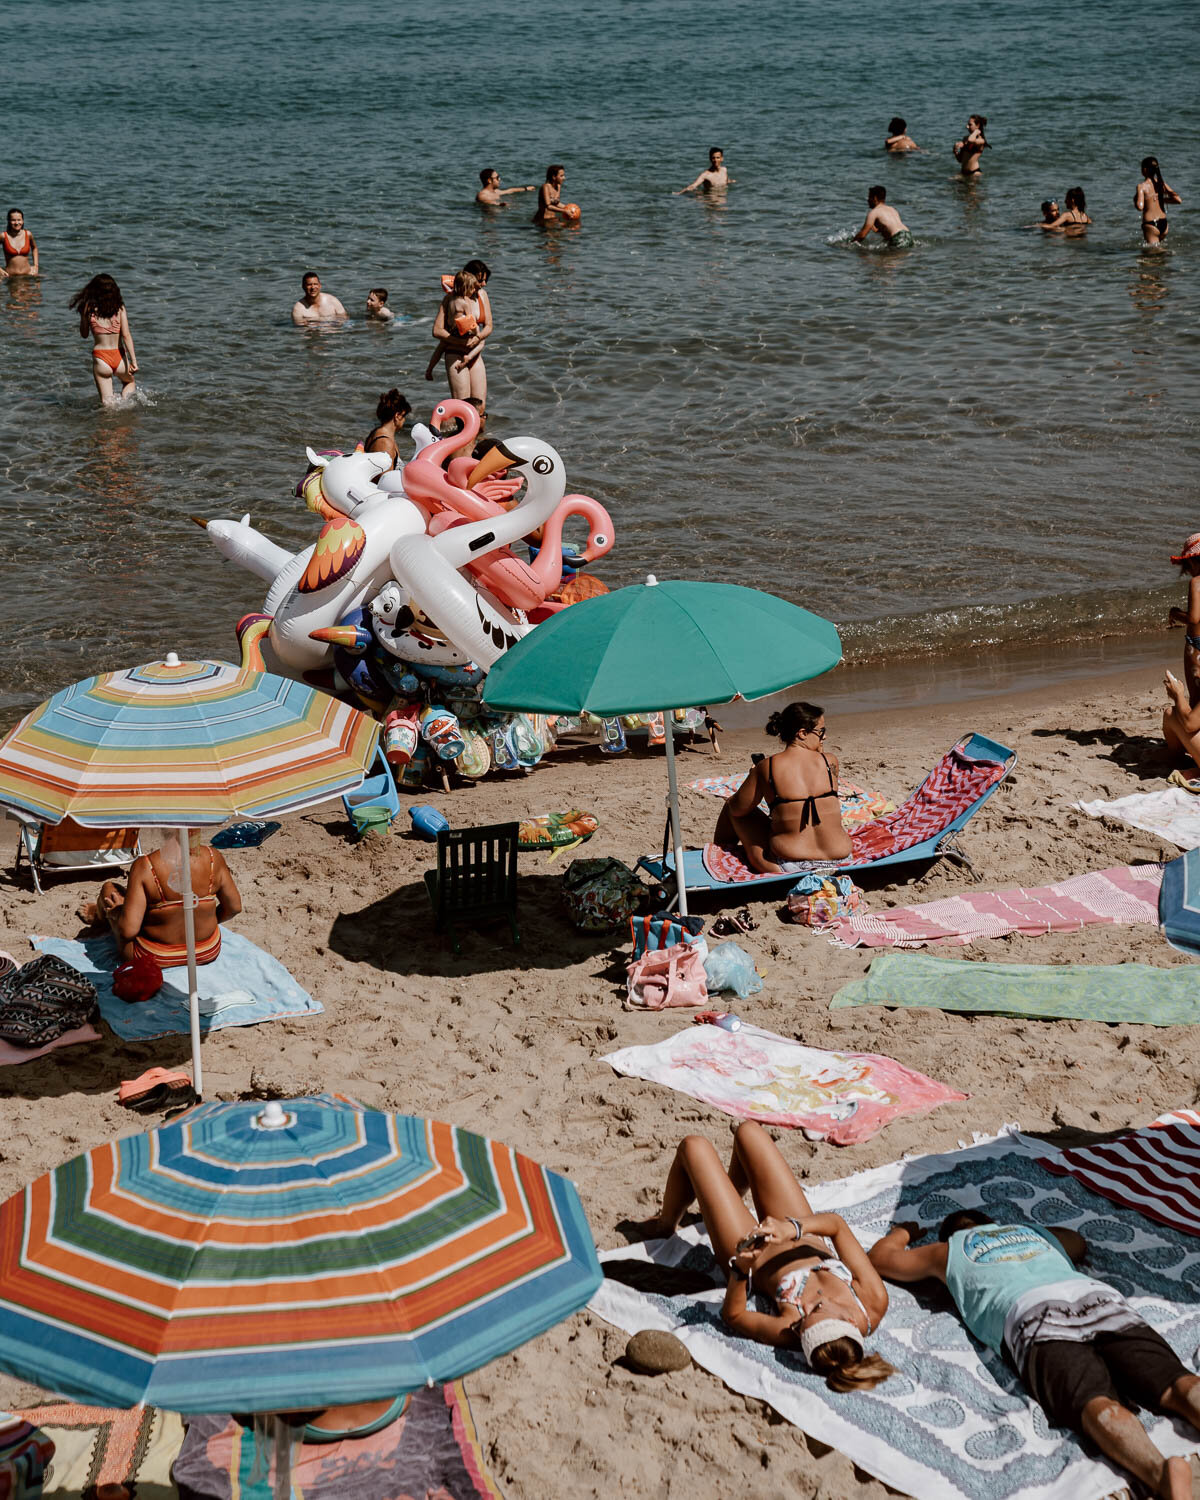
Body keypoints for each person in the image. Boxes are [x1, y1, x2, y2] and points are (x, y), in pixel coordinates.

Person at [869, 1210, 1200, 1500]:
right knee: (1174, 1383)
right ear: (992, 1223)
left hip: (1034, 1314)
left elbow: (881, 1259)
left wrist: (905, 1231)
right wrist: (1030, 1234)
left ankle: (1159, 1473)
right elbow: (1077, 1242)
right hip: (1098, 1298)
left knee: (1092, 1401)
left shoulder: (947, 1251)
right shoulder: (1033, 1236)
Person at [633, 1122, 894, 1390]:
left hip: (752, 1251)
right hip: (794, 1229)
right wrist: (792, 1228)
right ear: (850, 1320)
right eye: (815, 1310)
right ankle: (726, 1196)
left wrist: (739, 1270)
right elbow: (837, 1226)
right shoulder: (872, 1301)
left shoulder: (790, 1328)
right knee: (749, 1132)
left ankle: (665, 1226)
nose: (804, 1313)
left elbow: (733, 1316)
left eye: (801, 1324)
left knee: (693, 1146)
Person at [714, 701, 853, 872]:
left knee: (730, 805)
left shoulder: (767, 767)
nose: (824, 737)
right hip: (840, 859)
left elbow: (738, 809)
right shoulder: (829, 761)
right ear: (802, 733)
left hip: (790, 865)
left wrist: (754, 775)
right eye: (821, 731)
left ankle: (718, 855)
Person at [79, 832, 242, 971]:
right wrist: (206, 920)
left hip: (155, 957)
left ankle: (99, 918)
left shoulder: (146, 865)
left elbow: (128, 931)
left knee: (109, 890)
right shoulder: (214, 858)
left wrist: (117, 913)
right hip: (206, 951)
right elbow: (234, 907)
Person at [426, 265, 492, 410]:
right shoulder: (450, 299)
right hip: (455, 352)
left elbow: (489, 327)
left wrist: (477, 337)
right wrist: (461, 342)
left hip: (474, 352)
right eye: (480, 281)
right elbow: (437, 331)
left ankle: (481, 433)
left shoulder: (482, 295)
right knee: (463, 407)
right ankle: (457, 430)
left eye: (485, 281)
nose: (483, 284)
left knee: (480, 406)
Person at [68, 273, 138, 405]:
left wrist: (84, 317)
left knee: (107, 404)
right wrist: (133, 360)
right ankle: (125, 406)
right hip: (119, 357)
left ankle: (108, 421)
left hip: (101, 359)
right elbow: (126, 335)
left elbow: (84, 335)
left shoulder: (88, 310)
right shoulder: (120, 308)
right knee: (129, 382)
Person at [1135, 156, 1181, 246]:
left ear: (1144, 170)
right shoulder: (1161, 184)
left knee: (1153, 254)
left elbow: (1140, 207)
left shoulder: (1142, 186)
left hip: (1151, 225)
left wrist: (1136, 199)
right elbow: (1178, 200)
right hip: (1164, 223)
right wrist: (1162, 200)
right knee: (1159, 255)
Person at [363, 388, 411, 467]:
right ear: (397, 416)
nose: (404, 420)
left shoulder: (377, 433)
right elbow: (385, 477)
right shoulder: (384, 442)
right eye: (404, 416)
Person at [2, 209, 38, 275]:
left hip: (28, 275)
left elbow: (34, 248)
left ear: (22, 221)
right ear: (9, 221)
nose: (16, 223)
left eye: (19, 220)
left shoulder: (28, 234)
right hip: (10, 277)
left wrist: (36, 266)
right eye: (13, 220)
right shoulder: (3, 236)